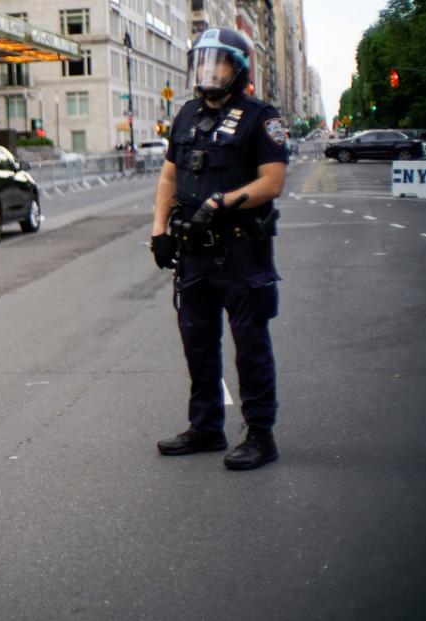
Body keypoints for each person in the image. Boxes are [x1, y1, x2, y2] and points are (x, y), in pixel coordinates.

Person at [149, 27, 287, 471]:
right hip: (194, 255)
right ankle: (206, 428)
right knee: (198, 344)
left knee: (250, 347)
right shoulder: (186, 114)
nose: (209, 71)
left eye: (219, 62)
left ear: (238, 68)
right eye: (203, 61)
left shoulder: (259, 117)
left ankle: (261, 435)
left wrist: (221, 203)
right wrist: (159, 231)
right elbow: (169, 177)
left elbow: (272, 181)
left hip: (241, 254)